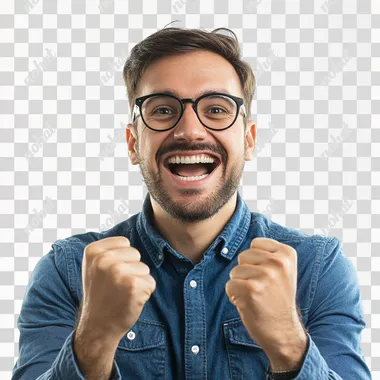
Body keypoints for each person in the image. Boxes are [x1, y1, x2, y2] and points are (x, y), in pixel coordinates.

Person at [12, 26, 372, 380]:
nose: (190, 131)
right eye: (163, 110)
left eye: (216, 109)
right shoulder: (68, 270)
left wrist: (290, 347)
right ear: (133, 143)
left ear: (248, 140)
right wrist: (92, 340)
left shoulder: (317, 268)